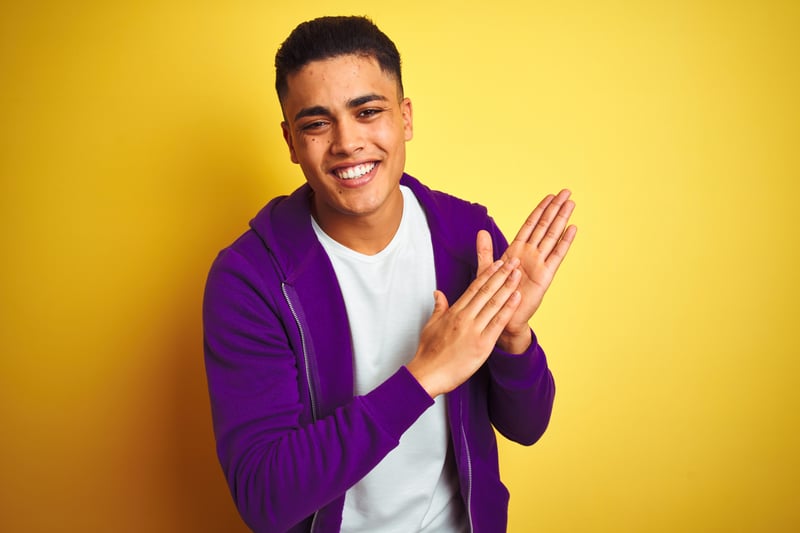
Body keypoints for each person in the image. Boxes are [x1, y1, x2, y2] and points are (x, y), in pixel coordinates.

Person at [203, 15, 577, 533]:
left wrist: (515, 338)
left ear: (405, 118)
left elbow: (527, 426)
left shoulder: (470, 238)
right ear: (291, 142)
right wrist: (423, 377)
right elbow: (265, 498)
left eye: (367, 111)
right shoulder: (249, 279)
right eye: (316, 124)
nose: (347, 142)